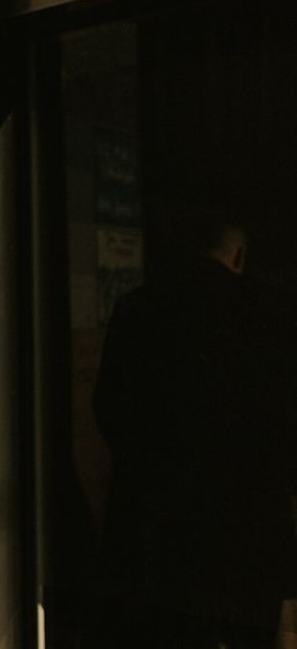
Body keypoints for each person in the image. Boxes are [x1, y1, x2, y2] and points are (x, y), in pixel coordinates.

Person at [89, 210, 297, 648]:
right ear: (238, 254)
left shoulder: (139, 307)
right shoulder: (268, 317)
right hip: (243, 536)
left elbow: (109, 410)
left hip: (157, 537)